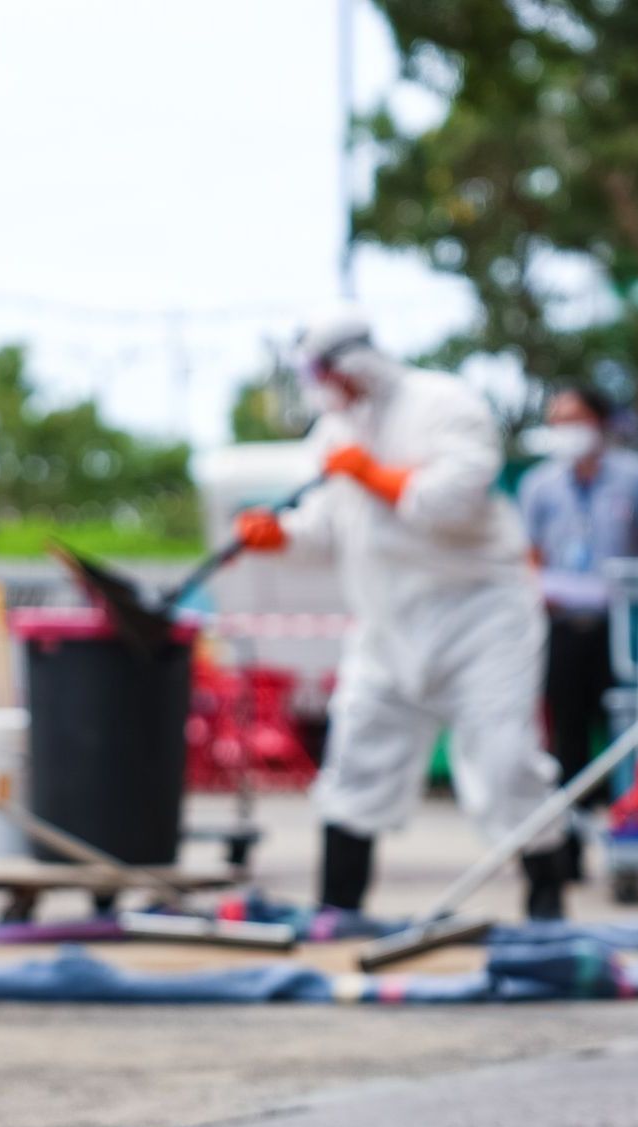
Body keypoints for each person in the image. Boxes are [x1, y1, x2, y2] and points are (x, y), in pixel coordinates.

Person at [235, 305, 575, 918]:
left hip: (481, 620)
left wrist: (369, 473)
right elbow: (324, 530)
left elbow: (452, 502)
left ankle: (547, 906)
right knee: (355, 764)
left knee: (505, 766)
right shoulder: (334, 434)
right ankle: (337, 914)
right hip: (388, 626)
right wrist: (278, 537)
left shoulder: (445, 405)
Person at [518, 385, 638, 855]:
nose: (566, 431)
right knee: (566, 736)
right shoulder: (539, 485)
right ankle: (566, 841)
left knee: (623, 727)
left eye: (574, 418)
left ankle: (628, 830)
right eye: (557, 421)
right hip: (563, 625)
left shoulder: (635, 478)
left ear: (599, 421)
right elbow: (529, 555)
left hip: (621, 627)